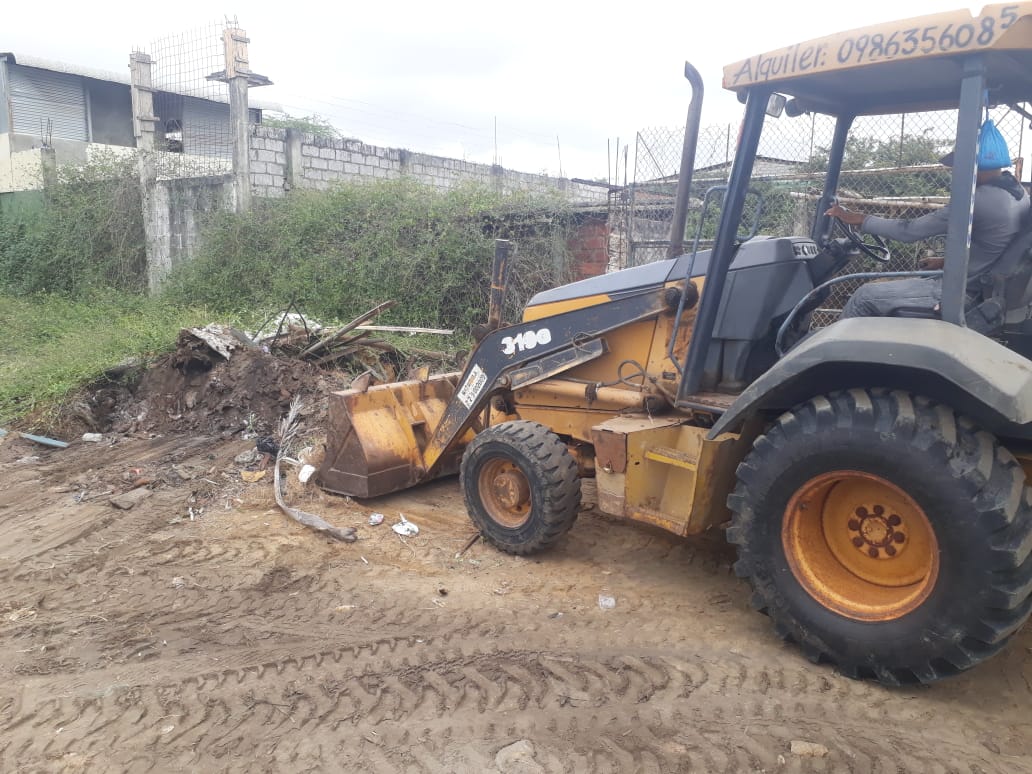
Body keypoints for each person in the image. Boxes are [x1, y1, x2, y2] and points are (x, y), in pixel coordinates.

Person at [825, 120, 1029, 319]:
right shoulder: (1017, 193)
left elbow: (908, 231)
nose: (955, 170)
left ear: (974, 164)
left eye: (958, 164)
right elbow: (992, 246)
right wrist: (944, 262)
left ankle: (835, 344)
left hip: (962, 291)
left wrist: (862, 219)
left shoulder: (978, 201)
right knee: (890, 287)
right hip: (980, 286)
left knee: (863, 297)